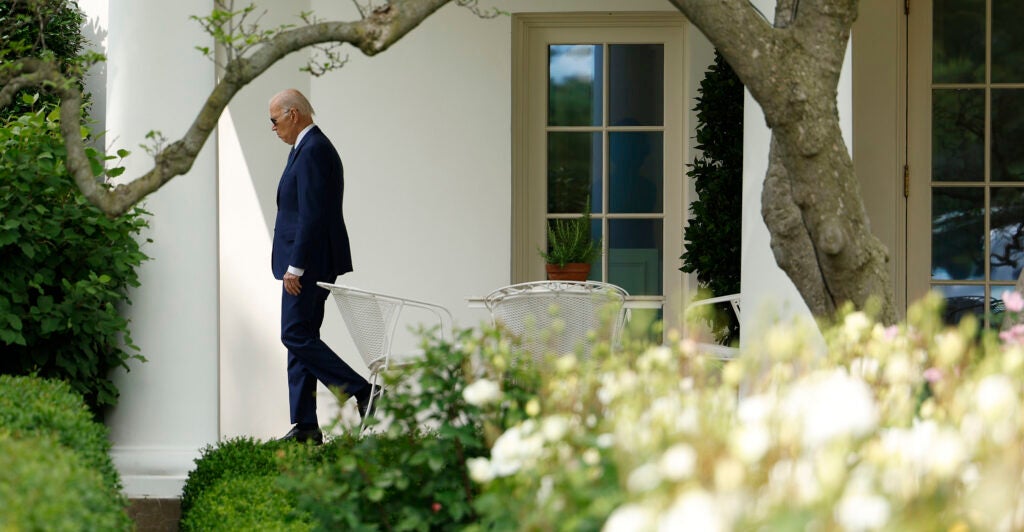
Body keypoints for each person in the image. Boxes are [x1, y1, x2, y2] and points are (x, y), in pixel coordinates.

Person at [268, 88, 377, 444]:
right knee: (302, 339)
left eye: (274, 120)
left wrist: (295, 267)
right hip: (309, 262)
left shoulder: (314, 149)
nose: (273, 128)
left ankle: (362, 391)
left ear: (293, 114)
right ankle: (306, 426)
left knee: (294, 334)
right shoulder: (306, 148)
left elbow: (312, 216)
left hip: (308, 264)